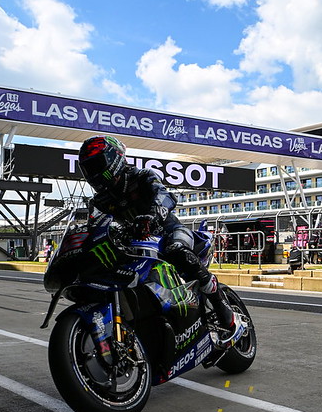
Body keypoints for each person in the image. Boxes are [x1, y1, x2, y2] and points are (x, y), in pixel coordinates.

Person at [78, 135, 242, 347]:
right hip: (134, 244)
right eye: (87, 168)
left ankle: (225, 314)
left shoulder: (142, 176)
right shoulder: (99, 201)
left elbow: (165, 196)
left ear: (114, 159)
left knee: (176, 251)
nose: (93, 173)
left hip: (168, 230)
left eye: (96, 165)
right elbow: (92, 225)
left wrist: (152, 215)